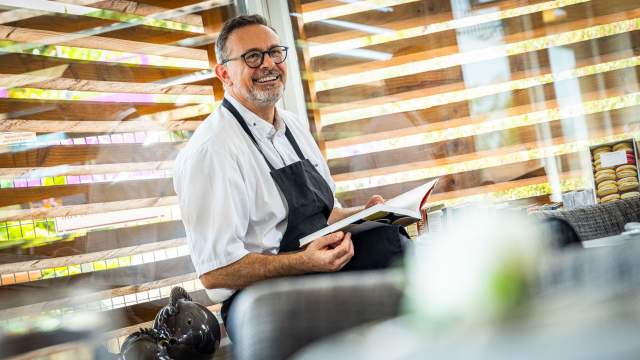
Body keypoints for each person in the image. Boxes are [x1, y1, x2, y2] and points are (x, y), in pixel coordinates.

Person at [173, 14, 407, 339]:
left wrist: (369, 213)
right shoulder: (212, 150)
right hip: (263, 302)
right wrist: (303, 262)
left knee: (393, 243)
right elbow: (214, 272)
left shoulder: (293, 126)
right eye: (253, 56)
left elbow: (327, 215)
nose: (268, 64)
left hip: (315, 273)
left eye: (274, 52)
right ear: (224, 73)